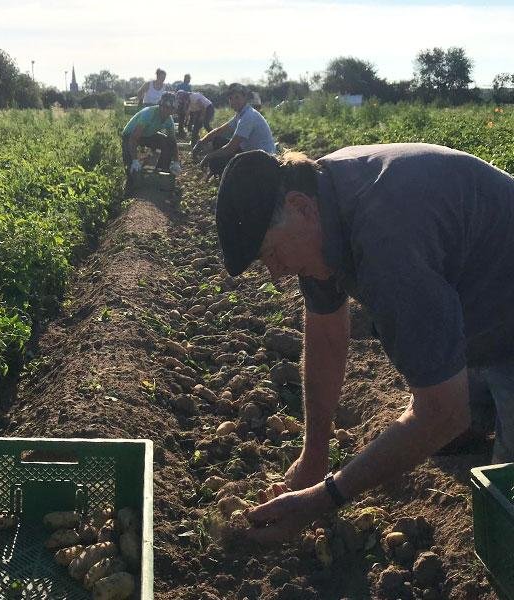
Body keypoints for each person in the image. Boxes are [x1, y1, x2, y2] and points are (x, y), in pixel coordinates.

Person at [214, 144, 514, 543]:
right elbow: (325, 336)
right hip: (479, 306)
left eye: (271, 253)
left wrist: (324, 498)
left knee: (503, 507)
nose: (276, 273)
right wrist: (314, 455)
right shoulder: (321, 202)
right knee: (443, 428)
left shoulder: (387, 243)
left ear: (300, 207)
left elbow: (444, 412)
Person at [192, 83, 275, 178]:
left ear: (245, 98)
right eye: (231, 98)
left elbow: (230, 148)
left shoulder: (248, 116)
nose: (234, 101)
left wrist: (209, 156)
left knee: (217, 161)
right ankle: (219, 173)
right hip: (251, 152)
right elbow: (219, 131)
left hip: (263, 161)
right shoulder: (241, 114)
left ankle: (226, 178)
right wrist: (201, 142)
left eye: (237, 97)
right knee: (217, 140)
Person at [121, 92, 181, 181]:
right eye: (164, 107)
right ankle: (131, 180)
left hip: (147, 135)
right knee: (130, 165)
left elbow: (173, 141)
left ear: (173, 110)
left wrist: (176, 161)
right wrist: (135, 160)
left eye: (170, 109)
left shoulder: (169, 120)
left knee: (167, 142)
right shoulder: (148, 114)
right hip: (130, 135)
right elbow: (134, 138)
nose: (166, 111)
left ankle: (161, 171)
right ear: (160, 105)